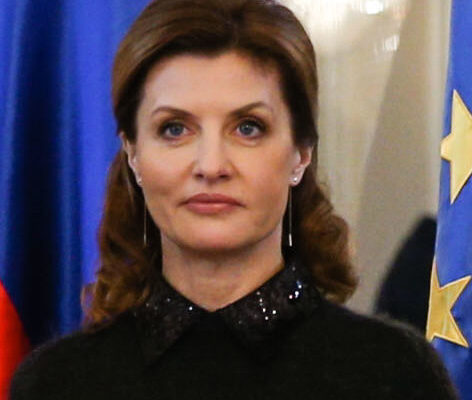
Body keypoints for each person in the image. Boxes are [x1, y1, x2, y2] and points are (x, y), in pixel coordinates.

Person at [10, 0, 457, 398]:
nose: (211, 165)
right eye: (174, 129)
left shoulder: (394, 373)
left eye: (248, 128)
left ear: (301, 154)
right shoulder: (56, 383)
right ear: (133, 154)